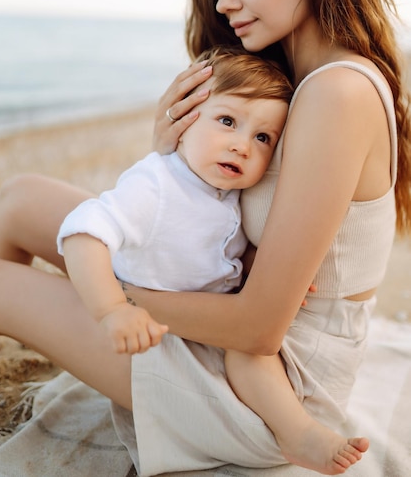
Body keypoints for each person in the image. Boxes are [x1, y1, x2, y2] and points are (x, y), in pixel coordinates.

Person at [0, 0, 410, 477]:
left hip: (271, 387)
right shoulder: (295, 83)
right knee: (22, 197)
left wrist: (108, 291)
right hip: (223, 309)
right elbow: (212, 213)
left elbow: (260, 329)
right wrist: (171, 155)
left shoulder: (338, 94)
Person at [56, 46, 292, 356]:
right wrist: (112, 309)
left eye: (262, 137)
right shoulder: (157, 184)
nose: (242, 147)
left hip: (200, 326)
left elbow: (221, 252)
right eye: (227, 121)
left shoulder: (229, 193)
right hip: (145, 333)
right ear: (183, 119)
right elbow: (83, 233)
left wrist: (276, 276)